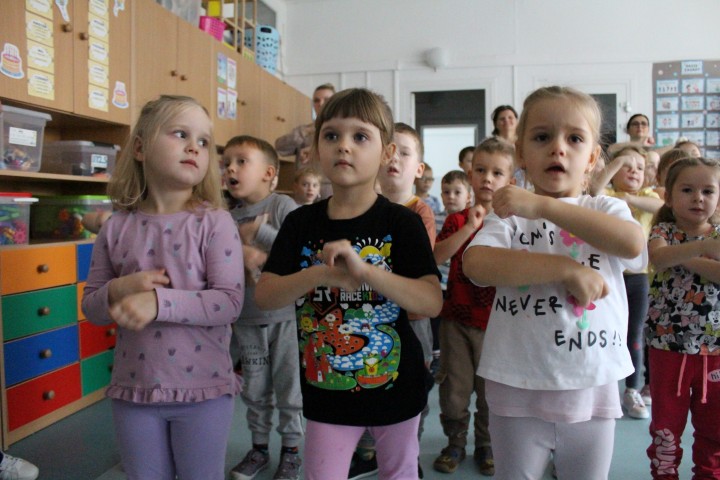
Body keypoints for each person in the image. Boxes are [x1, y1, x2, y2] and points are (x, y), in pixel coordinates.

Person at [255, 88, 442, 480]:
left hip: (397, 387)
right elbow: (266, 294)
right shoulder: (300, 223)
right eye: (332, 135)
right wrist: (320, 274)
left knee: (400, 474)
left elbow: (430, 301)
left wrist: (366, 272)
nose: (344, 146)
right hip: (327, 392)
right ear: (315, 150)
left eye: (360, 136)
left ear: (387, 153)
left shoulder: (402, 223)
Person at [463, 86, 647, 479]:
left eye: (575, 139)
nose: (558, 148)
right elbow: (477, 264)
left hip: (591, 386)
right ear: (521, 154)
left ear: (592, 157)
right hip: (517, 386)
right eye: (542, 137)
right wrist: (564, 269)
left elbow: (633, 244)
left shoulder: (606, 207)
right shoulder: (511, 215)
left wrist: (545, 206)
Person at [81, 95, 245, 480]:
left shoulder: (215, 223)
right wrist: (120, 288)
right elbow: (91, 308)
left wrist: (158, 302)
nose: (194, 147)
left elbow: (228, 302)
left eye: (204, 141)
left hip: (203, 391)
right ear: (140, 148)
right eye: (180, 134)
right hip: (133, 391)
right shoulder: (115, 227)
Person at [432, 137, 515, 476]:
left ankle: (486, 445)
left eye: (497, 173)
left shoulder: (515, 223)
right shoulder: (456, 220)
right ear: (470, 174)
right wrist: (470, 225)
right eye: (480, 170)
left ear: (511, 179)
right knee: (454, 390)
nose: (488, 179)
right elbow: (437, 256)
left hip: (498, 324)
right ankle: (455, 442)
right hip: (456, 320)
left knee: (490, 392)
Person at [223, 135, 303, 480]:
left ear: (269, 173)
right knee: (254, 390)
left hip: (286, 318)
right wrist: (238, 253)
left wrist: (260, 236)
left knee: (289, 389)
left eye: (241, 161)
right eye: (227, 162)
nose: (231, 169)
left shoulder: (282, 206)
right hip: (247, 319)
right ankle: (258, 449)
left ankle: (292, 451)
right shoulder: (225, 218)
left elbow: (301, 250)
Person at [644, 157, 720, 478]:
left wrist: (683, 256)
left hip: (714, 349)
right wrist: (703, 247)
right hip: (667, 346)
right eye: (687, 190)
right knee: (666, 425)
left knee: (715, 425)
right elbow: (659, 257)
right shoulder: (662, 230)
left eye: (708, 191)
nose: (698, 198)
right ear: (668, 197)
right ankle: (665, 473)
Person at [589, 145, 662, 419]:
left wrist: (627, 198)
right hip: (609, 275)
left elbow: (661, 207)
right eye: (626, 167)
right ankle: (599, 385)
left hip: (638, 278)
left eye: (639, 168)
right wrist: (617, 163)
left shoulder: (647, 196)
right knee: (604, 329)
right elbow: (595, 189)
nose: (633, 172)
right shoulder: (605, 195)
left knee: (634, 334)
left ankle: (631, 389)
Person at [430, 170, 473, 375]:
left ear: (468, 197)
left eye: (457, 192)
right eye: (446, 192)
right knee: (437, 322)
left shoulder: (470, 220)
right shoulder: (436, 219)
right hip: (439, 281)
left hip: (459, 284)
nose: (451, 197)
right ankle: (436, 355)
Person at [274, 83, 336, 168]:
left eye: (326, 100)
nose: (321, 104)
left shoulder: (343, 130)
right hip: (304, 176)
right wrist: (304, 132)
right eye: (316, 100)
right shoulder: (304, 131)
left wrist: (315, 150)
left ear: (335, 102)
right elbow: (279, 148)